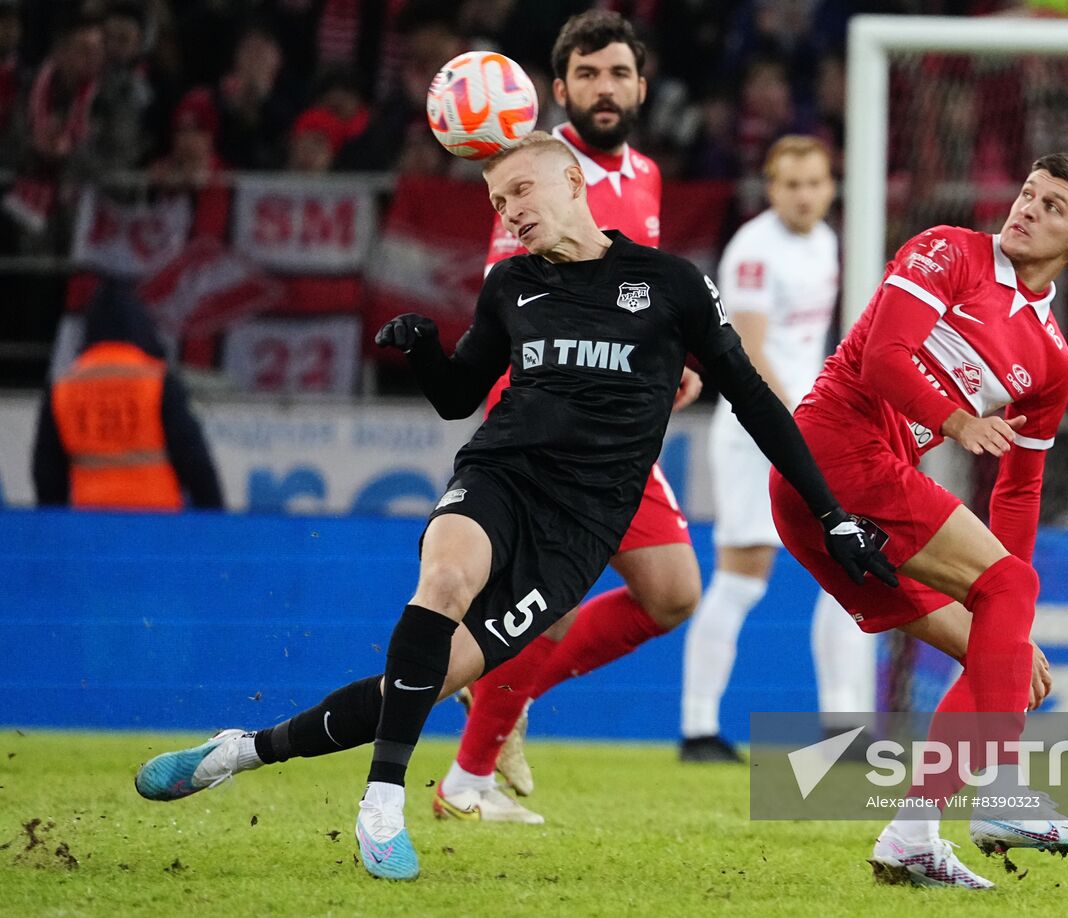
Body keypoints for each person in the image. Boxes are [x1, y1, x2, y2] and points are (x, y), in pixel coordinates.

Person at [133, 131, 895, 883]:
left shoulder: (672, 284)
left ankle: (240, 750)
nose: (510, 211)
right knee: (443, 581)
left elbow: (758, 403)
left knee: (421, 683)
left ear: (573, 182)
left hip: (580, 529)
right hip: (500, 475)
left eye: (522, 191)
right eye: (499, 202)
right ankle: (383, 804)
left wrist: (833, 515)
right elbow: (459, 396)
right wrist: (425, 350)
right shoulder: (510, 285)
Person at [769, 153, 1068, 890]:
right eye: (1027, 192)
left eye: (1053, 206)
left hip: (857, 496)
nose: (1027, 209)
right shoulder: (950, 251)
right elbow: (885, 360)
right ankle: (1001, 797)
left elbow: (1020, 490)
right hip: (833, 452)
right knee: (1005, 599)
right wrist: (956, 421)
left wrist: (1007, 614)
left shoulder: (1051, 362)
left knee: (1001, 659)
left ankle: (912, 836)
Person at [436, 9, 704, 823]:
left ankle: (492, 723)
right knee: (547, 602)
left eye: (618, 72)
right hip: (551, 418)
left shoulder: (649, 176)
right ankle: (464, 776)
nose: (605, 88)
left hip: (619, 420)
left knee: (671, 594)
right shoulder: (535, 168)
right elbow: (516, 306)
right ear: (559, 90)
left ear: (641, 86)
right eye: (587, 74)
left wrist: (673, 364)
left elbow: (640, 300)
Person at [679, 134, 870, 761]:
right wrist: (802, 421)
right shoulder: (753, 250)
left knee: (850, 567)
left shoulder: (827, 241)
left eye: (816, 182)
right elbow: (751, 352)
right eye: (792, 184)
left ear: (831, 186)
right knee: (742, 578)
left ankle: (845, 729)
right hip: (756, 430)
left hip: (808, 422)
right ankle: (699, 727)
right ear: (771, 188)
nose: (805, 195)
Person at [32, 284, 223, 511]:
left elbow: (46, 472)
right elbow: (195, 460)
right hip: (156, 520)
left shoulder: (63, 388)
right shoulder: (157, 381)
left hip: (89, 523)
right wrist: (214, 520)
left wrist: (56, 528)